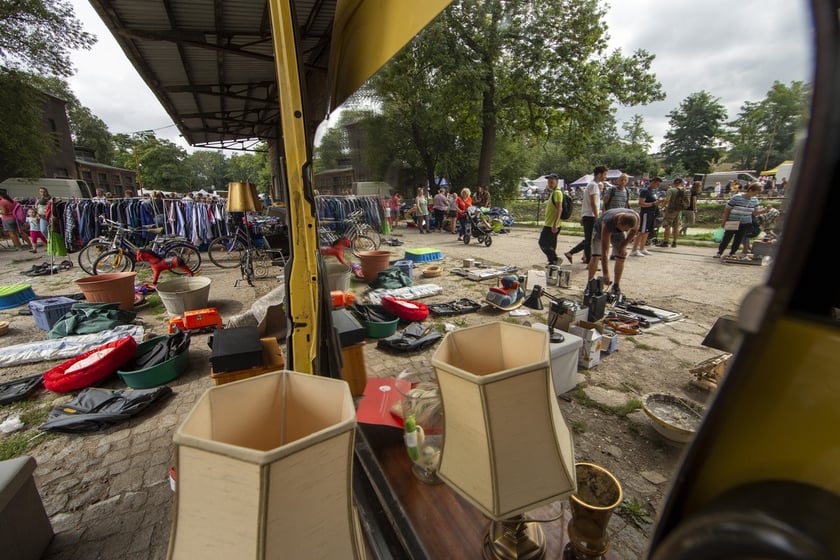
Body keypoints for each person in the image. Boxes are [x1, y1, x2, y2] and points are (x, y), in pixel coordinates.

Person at [587, 208, 640, 295]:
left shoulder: (635, 217)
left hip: (618, 233)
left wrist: (624, 246)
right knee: (596, 255)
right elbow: (605, 251)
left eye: (627, 230)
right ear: (618, 223)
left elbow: (633, 232)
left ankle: (616, 285)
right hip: (599, 231)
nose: (625, 231)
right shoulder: (608, 223)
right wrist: (605, 273)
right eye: (624, 229)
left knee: (621, 256)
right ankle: (590, 284)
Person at [715, 182, 769, 258]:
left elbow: (754, 213)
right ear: (751, 190)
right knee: (727, 237)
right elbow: (727, 210)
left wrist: (766, 210)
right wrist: (724, 221)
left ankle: (732, 253)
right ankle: (720, 252)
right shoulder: (736, 197)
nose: (757, 195)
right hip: (733, 221)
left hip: (745, 222)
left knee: (738, 239)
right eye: (756, 192)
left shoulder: (755, 200)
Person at [565, 165, 606, 264]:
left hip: (588, 215)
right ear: (599, 174)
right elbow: (593, 203)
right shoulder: (594, 185)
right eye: (605, 174)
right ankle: (588, 261)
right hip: (590, 216)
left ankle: (573, 253)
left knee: (589, 239)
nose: (605, 177)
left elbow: (586, 202)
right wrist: (597, 217)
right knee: (590, 240)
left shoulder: (592, 185)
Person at [537, 174, 564, 266]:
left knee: (542, 242)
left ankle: (555, 259)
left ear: (557, 182)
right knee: (551, 244)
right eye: (549, 182)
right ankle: (552, 261)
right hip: (549, 223)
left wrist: (554, 224)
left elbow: (559, 208)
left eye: (552, 182)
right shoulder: (553, 192)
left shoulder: (557, 193)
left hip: (551, 224)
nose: (550, 183)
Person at [630, 177, 660, 257]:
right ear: (653, 182)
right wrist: (653, 204)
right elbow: (641, 203)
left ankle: (642, 248)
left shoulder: (653, 191)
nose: (658, 185)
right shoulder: (645, 191)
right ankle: (634, 250)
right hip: (646, 213)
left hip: (652, 213)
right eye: (657, 184)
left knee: (647, 232)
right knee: (642, 232)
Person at [660, 177, 687, 247]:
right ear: (681, 183)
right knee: (676, 227)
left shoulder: (671, 190)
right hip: (678, 210)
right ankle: (674, 242)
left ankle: (666, 242)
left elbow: (667, 200)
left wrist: (662, 207)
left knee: (667, 226)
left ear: (674, 183)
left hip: (671, 210)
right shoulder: (684, 190)